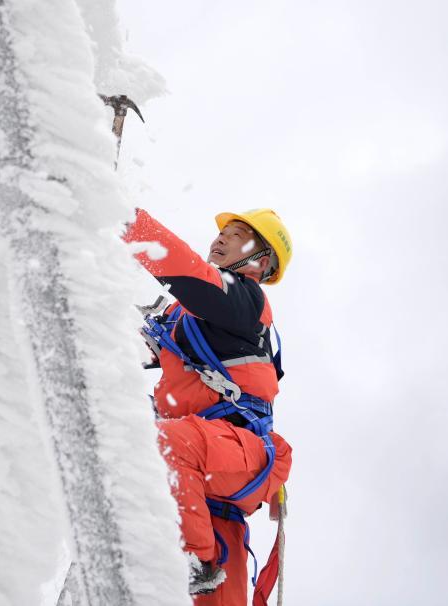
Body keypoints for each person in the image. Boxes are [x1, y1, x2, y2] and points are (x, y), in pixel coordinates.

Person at [123, 208, 294, 605]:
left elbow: (186, 274)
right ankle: (199, 563)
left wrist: (122, 218)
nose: (221, 239)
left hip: (234, 454)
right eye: (223, 232)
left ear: (261, 261)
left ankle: (195, 563)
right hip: (201, 482)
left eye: (238, 235)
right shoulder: (185, 318)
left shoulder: (245, 300)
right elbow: (114, 346)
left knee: (163, 443)